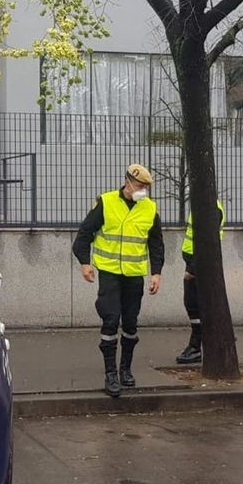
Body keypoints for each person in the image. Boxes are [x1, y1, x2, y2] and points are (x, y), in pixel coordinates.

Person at [72, 164, 164, 397]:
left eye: (146, 187)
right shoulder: (106, 202)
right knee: (111, 320)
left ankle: (126, 370)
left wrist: (156, 272)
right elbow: (84, 234)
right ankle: (110, 372)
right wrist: (84, 263)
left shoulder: (150, 209)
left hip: (134, 274)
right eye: (141, 186)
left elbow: (156, 243)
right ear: (129, 182)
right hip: (110, 273)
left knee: (131, 324)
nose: (143, 190)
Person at [176, 198, 225, 364]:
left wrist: (192, 268)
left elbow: (207, 240)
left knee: (194, 305)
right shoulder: (204, 205)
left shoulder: (210, 207)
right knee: (196, 305)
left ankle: (196, 347)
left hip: (199, 264)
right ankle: (199, 345)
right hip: (197, 262)